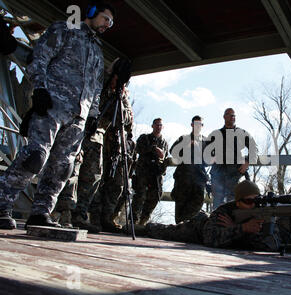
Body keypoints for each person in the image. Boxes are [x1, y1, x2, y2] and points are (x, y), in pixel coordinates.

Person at [0, 2, 114, 230]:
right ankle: (2, 204)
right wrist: (40, 89)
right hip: (52, 106)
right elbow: (39, 59)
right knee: (35, 157)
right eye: (105, 18)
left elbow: (96, 88)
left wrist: (92, 116)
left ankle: (41, 212)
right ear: (91, 13)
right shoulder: (64, 30)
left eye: (111, 23)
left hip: (77, 119)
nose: (107, 25)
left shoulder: (97, 52)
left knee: (62, 168)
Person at [70, 58, 134, 232]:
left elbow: (126, 120)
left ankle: (93, 217)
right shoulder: (99, 86)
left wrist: (120, 98)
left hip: (107, 141)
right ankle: (75, 214)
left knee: (102, 180)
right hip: (89, 134)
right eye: (115, 78)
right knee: (83, 175)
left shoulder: (122, 95)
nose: (117, 82)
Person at [140, 180, 280, 252]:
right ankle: (136, 228)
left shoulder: (260, 213)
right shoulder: (224, 212)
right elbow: (210, 239)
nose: (254, 205)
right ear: (238, 203)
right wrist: (242, 229)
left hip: (221, 233)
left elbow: (270, 245)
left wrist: (235, 228)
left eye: (257, 200)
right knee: (164, 231)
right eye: (249, 201)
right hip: (197, 229)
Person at [208, 108, 258, 209]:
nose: (232, 117)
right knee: (217, 205)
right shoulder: (215, 134)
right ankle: (218, 224)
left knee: (234, 205)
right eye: (230, 115)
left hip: (234, 175)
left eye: (234, 115)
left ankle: (233, 224)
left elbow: (254, 148)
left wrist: (247, 162)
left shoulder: (241, 133)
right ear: (224, 117)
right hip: (218, 176)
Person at [170, 116, 210, 223]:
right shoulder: (183, 139)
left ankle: (189, 229)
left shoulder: (206, 141)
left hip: (198, 181)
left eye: (200, 124)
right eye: (195, 124)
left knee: (196, 207)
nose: (197, 126)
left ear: (202, 126)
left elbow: (210, 160)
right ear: (192, 125)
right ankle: (179, 230)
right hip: (183, 179)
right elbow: (173, 152)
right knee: (180, 209)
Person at [131, 118, 169, 226]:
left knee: (155, 197)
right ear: (152, 126)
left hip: (156, 174)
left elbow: (164, 157)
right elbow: (138, 148)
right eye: (156, 125)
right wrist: (153, 149)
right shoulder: (144, 138)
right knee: (139, 196)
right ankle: (133, 221)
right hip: (143, 172)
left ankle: (143, 221)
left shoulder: (164, 142)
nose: (158, 127)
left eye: (160, 125)